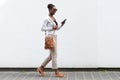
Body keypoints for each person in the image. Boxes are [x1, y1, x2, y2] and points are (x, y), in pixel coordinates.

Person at [37, 4, 66, 77]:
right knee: (54, 54)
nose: (55, 11)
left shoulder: (53, 18)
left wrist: (61, 25)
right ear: (50, 9)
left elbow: (56, 29)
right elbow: (42, 28)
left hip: (54, 36)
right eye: (54, 10)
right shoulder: (46, 18)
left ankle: (40, 68)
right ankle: (56, 72)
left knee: (51, 56)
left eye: (56, 10)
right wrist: (52, 28)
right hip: (50, 37)